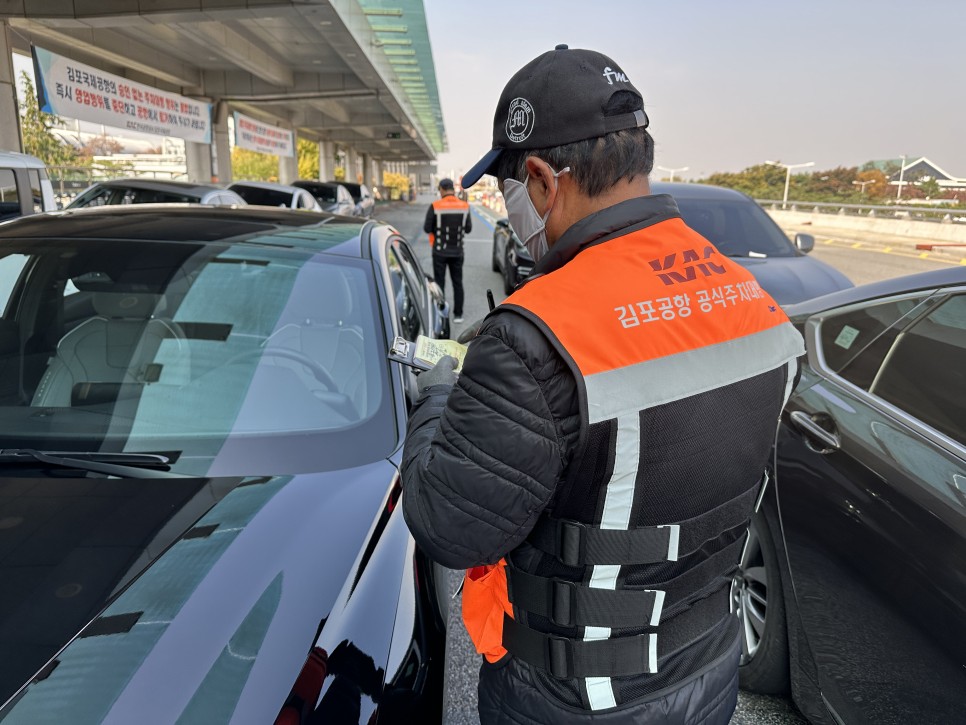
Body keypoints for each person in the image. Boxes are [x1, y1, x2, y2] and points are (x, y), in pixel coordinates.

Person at [401, 45, 804, 724]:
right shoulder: (751, 300)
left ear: (541, 180)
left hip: (573, 700)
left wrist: (438, 395)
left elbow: (452, 525)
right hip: (706, 669)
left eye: (507, 187)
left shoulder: (533, 336)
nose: (510, 207)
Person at [424, 178, 471, 323]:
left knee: (440, 282)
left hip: (439, 251)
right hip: (457, 251)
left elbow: (427, 228)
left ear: (442, 189)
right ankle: (458, 314)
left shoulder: (435, 206)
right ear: (452, 189)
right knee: (457, 282)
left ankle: (441, 312)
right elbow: (468, 229)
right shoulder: (464, 206)